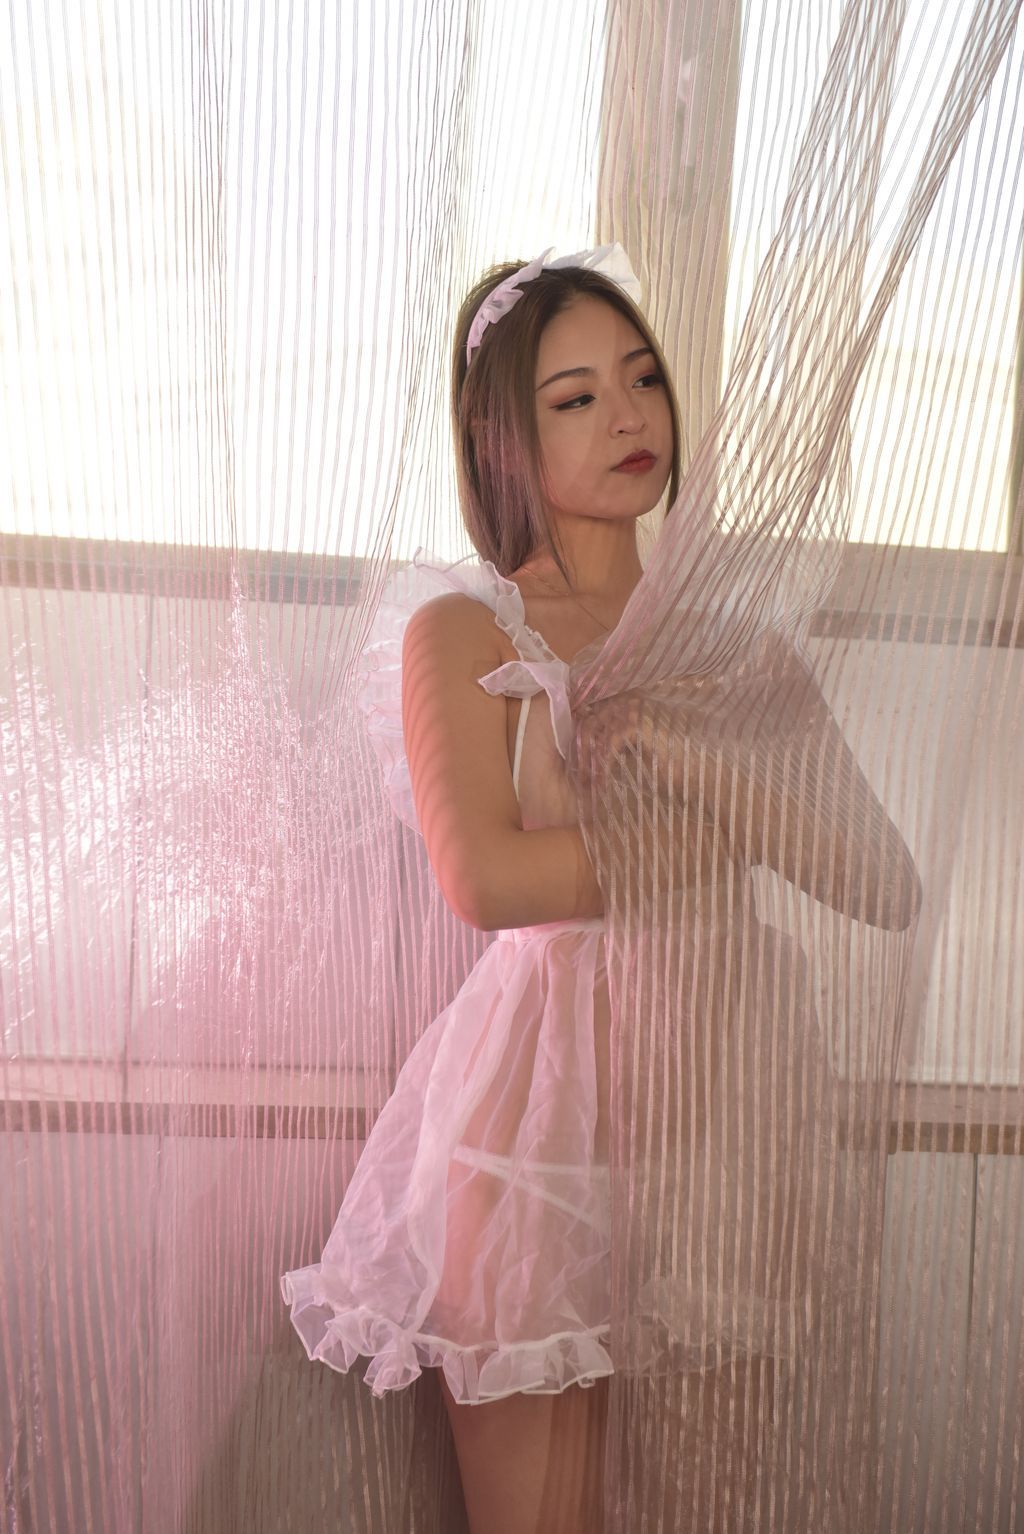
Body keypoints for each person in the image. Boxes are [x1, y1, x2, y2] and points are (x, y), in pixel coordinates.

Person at [281, 243, 681, 1533]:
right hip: (535, 1117)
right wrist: (690, 844)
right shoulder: (462, 628)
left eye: (643, 378)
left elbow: (877, 879)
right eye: (575, 397)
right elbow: (486, 877)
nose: (627, 416)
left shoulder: (717, 637)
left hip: (707, 1103)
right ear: (503, 437)